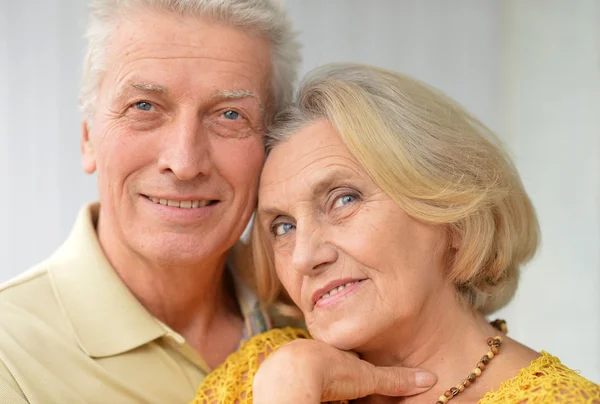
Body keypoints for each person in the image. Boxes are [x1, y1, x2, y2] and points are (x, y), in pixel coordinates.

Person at [0, 2, 436, 403]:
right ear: (88, 137)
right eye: (145, 106)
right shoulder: (10, 357)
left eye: (230, 115)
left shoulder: (335, 306)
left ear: (270, 149)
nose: (185, 162)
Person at [193, 63, 600, 403]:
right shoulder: (262, 374)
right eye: (282, 227)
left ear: (452, 216)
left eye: (344, 199)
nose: (303, 256)